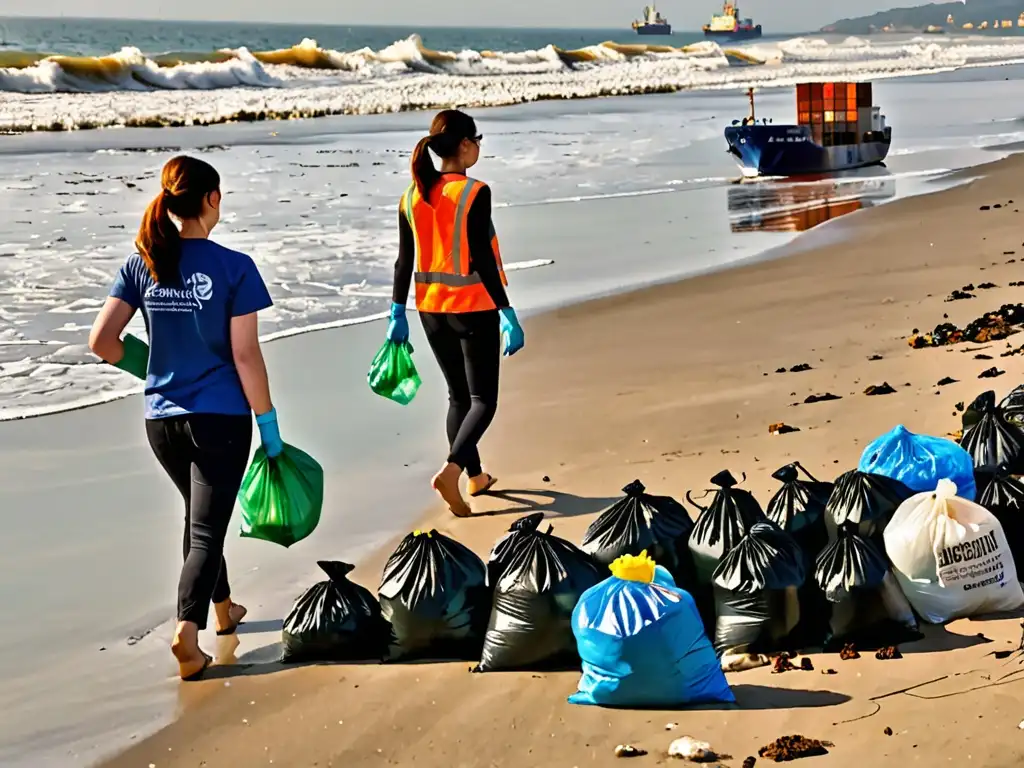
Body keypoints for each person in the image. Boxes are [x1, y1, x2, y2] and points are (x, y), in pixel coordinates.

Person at [89, 155, 283, 681]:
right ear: (211, 199)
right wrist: (268, 424)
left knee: (201, 520)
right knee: (204, 530)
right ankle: (186, 635)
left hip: (161, 422)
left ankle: (224, 610)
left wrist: (153, 371)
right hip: (219, 419)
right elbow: (246, 356)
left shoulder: (142, 262)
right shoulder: (234, 266)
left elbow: (101, 342)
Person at [388, 109, 525, 518]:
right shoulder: (473, 192)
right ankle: (451, 471)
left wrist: (396, 312)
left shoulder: (412, 196)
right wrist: (508, 311)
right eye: (477, 140)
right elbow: (481, 255)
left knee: (457, 397)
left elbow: (403, 261)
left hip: (430, 310)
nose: (479, 147)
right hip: (472, 307)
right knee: (483, 401)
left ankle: (476, 477)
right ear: (464, 146)